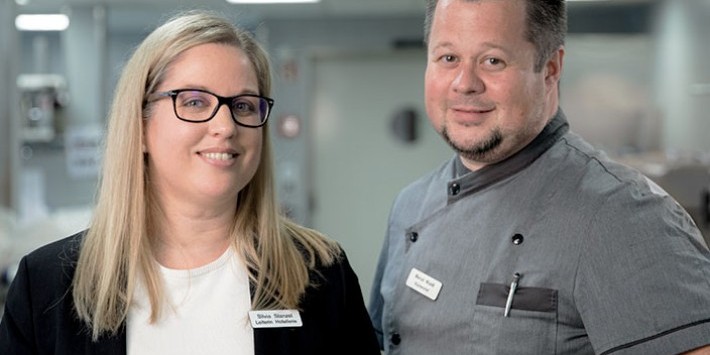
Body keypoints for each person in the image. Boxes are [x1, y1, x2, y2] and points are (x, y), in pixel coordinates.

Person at [0, 10, 380, 355]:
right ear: (141, 125)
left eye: (244, 105)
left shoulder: (321, 274)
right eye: (195, 102)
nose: (226, 127)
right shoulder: (45, 287)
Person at [368, 0, 710, 354]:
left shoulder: (623, 216)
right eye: (448, 58)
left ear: (550, 68)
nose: (464, 83)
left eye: (492, 60)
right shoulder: (410, 205)